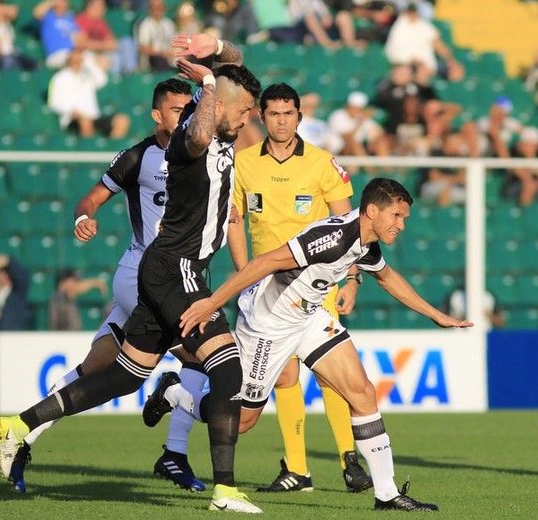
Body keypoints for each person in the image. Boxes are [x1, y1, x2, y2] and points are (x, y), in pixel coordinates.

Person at [0, 33, 265, 513]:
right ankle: (224, 488)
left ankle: (19, 424)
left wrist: (217, 48)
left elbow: (237, 80)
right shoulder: (191, 138)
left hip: (170, 270)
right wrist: (205, 83)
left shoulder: (223, 121)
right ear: (216, 105)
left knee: (121, 375)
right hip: (172, 271)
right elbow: (203, 127)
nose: (247, 122)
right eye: (242, 113)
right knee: (228, 368)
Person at [146, 177, 474, 511]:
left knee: (362, 392)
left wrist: (437, 315)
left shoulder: (365, 242)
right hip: (268, 323)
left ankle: (387, 494)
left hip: (309, 317)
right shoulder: (332, 238)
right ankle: (173, 392)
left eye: (403, 218)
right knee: (243, 421)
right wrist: (213, 303)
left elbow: (387, 277)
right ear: (372, 211)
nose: (401, 225)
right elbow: (266, 262)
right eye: (396, 216)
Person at [150, 82, 373, 493]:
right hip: (267, 291)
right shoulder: (244, 163)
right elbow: (233, 220)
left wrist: (354, 278)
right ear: (261, 117)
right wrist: (244, 275)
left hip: (315, 287)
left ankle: (349, 459)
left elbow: (352, 226)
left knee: (330, 378)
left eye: (289, 114)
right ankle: (298, 469)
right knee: (284, 379)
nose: (282, 121)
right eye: (273, 114)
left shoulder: (324, 163)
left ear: (299, 117)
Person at [3, 77, 202, 493]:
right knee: (206, 358)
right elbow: (90, 199)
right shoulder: (138, 157)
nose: (183, 116)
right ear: (157, 114)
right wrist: (82, 218)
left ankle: (21, 435)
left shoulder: (203, 156)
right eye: (175, 109)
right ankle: (174, 444)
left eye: (189, 109)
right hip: (143, 277)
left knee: (93, 371)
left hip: (177, 278)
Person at [47, 47, 131, 139]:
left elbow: (102, 80)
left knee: (122, 120)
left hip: (94, 117)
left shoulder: (87, 74)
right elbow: (53, 103)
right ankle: (88, 147)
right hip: (72, 118)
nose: (78, 57)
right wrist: (72, 111)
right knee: (85, 122)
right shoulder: (59, 78)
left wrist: (89, 62)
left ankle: (114, 150)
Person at [383, 3, 463, 84]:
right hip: (411, 73)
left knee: (456, 74)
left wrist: (451, 61)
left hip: (430, 70)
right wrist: (416, 69)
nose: (414, 14)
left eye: (415, 11)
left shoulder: (423, 25)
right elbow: (399, 71)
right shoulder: (400, 28)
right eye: (411, 11)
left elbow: (437, 44)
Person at [0, 254, 33, 371]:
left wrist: (8, 261)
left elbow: (23, 275)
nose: (3, 275)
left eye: (6, 271)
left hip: (14, 343)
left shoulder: (17, 293)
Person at [76, 0, 138, 75]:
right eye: (101, 5)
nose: (103, 8)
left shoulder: (101, 22)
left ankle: (131, 72)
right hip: (90, 54)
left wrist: (112, 44)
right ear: (90, 6)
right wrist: (103, 46)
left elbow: (110, 39)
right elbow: (82, 43)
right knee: (115, 58)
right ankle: (114, 81)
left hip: (104, 51)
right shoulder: (81, 19)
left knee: (127, 41)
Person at [135, 0, 176, 71]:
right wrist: (162, 53)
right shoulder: (145, 24)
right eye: (154, 7)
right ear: (150, 9)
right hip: (153, 58)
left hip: (169, 56)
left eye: (160, 7)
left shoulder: (169, 23)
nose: (157, 10)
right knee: (159, 60)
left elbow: (174, 43)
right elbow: (143, 48)